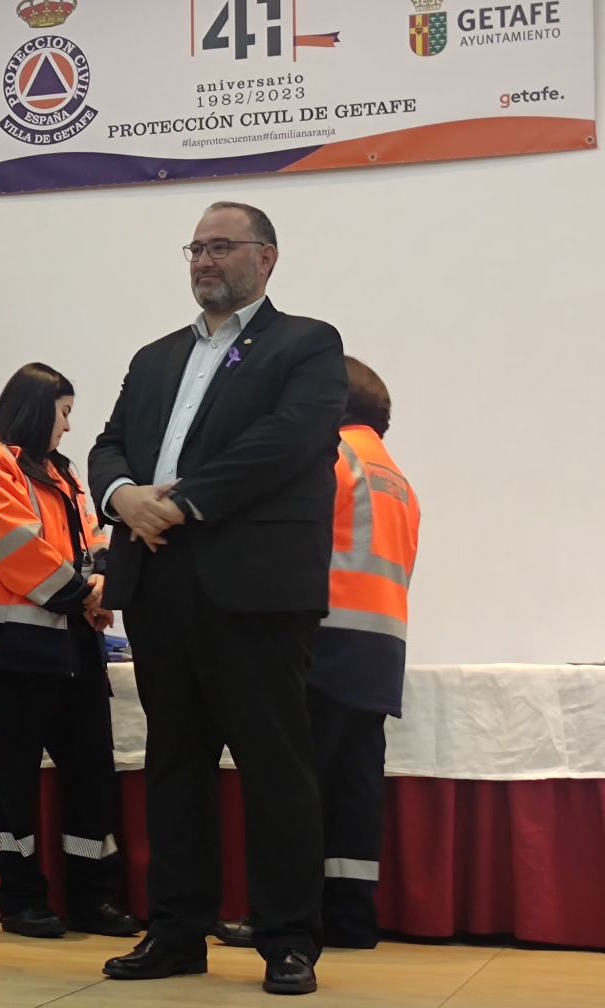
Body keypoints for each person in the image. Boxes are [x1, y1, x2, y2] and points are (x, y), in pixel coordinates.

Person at [86, 203, 348, 996]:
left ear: (266, 259)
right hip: (158, 582)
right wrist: (124, 495)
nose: (204, 260)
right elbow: (107, 443)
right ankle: (175, 931)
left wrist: (181, 501)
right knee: (173, 764)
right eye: (196, 248)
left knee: (274, 768)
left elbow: (288, 441)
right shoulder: (157, 355)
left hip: (254, 587)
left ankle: (289, 939)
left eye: (221, 246)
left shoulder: (307, 345)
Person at [217, 356, 420, 951]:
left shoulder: (329, 458)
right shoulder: (398, 479)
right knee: (353, 790)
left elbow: (283, 544)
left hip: (319, 641)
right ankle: (350, 918)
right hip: (379, 649)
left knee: (291, 788)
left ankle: (281, 913)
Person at [0, 362, 141, 941]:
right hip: (11, 652)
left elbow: (97, 541)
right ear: (39, 409)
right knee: (12, 786)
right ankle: (22, 900)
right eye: (64, 412)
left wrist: (101, 586)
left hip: (74, 650)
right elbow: (14, 545)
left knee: (92, 777)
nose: (68, 427)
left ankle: (93, 898)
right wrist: (81, 592)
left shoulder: (65, 476)